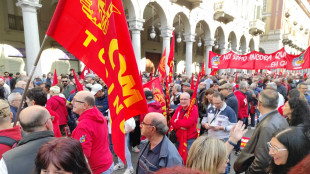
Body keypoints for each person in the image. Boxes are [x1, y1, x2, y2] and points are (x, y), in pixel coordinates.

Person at [234, 89, 289, 174]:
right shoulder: (280, 118)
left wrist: (249, 172)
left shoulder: (267, 126)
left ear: (259, 103)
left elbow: (262, 160)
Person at [0, 106, 54, 174]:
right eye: (51, 119)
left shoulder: (7, 160)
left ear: (21, 127)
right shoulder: (68, 148)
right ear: (48, 123)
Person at [71, 91, 113, 174]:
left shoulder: (84, 126)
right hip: (106, 163)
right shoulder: (98, 114)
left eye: (75, 100)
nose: (72, 102)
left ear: (85, 105)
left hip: (96, 169)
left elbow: (82, 154)